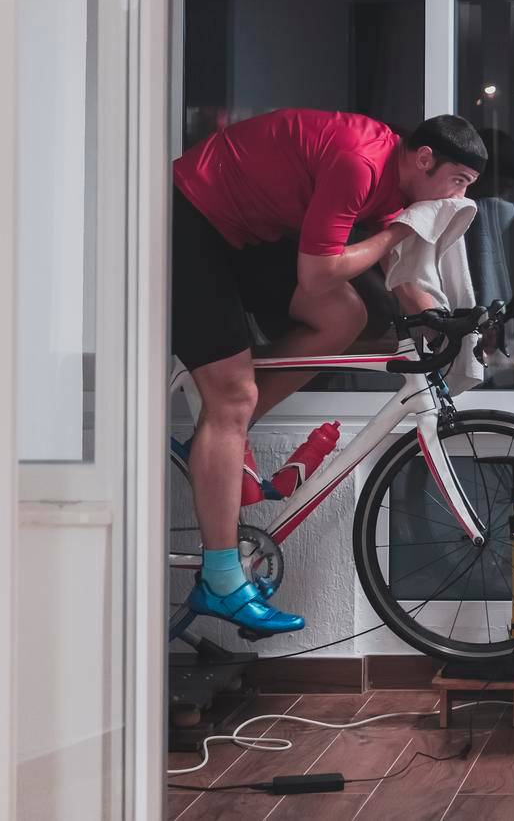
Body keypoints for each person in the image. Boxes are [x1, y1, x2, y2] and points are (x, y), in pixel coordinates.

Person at [172, 109, 486, 634]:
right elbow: (317, 273)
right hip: (190, 216)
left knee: (346, 315)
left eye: (468, 188)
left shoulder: (398, 179)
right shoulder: (360, 162)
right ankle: (221, 582)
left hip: (242, 231)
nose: (456, 198)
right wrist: (394, 235)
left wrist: (436, 318)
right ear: (425, 159)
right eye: (457, 182)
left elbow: (395, 271)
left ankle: (217, 440)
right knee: (233, 397)